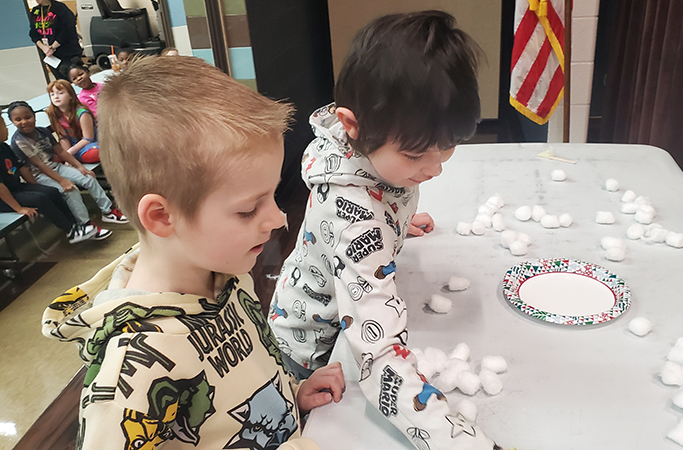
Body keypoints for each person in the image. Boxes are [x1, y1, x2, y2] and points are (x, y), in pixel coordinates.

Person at [41, 55, 345, 450]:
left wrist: (291, 396)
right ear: (162, 217)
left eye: (271, 195)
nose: (277, 218)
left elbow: (244, 379)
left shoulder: (225, 274)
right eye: (248, 208)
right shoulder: (129, 378)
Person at [269, 11, 505, 450]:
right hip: (309, 353)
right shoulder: (355, 217)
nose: (434, 168)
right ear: (354, 125)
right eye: (416, 155)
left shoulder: (372, 164)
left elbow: (373, 199)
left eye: (447, 147)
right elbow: (378, 359)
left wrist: (392, 220)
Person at [7, 101, 126, 235]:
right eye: (18, 119)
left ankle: (108, 211)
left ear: (34, 116)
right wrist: (62, 181)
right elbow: (40, 165)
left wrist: (80, 167)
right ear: (12, 121)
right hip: (40, 175)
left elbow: (61, 152)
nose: (24, 121)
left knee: (88, 177)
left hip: (55, 167)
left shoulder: (43, 131)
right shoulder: (18, 141)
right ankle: (85, 224)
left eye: (27, 117)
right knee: (70, 190)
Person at [1, 119, 97, 243]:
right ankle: (70, 231)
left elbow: (22, 168)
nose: (7, 129)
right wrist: (19, 208)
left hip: (16, 187)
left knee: (51, 191)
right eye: (3, 125)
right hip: (4, 198)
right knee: (40, 199)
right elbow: (1, 188)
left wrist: (36, 186)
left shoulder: (3, 147)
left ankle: (76, 226)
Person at [46, 79, 101, 163]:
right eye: (52, 94)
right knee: (51, 157)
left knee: (96, 153)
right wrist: (69, 157)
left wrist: (69, 153)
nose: (56, 97)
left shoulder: (82, 113)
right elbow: (63, 137)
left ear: (71, 95)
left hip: (88, 143)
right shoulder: (54, 114)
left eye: (60, 93)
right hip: (71, 145)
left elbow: (88, 138)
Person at [28, 0, 82, 80]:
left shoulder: (60, 8)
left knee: (74, 78)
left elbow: (68, 29)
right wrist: (44, 48)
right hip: (50, 55)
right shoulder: (36, 10)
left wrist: (53, 47)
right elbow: (33, 33)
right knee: (61, 81)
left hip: (67, 52)